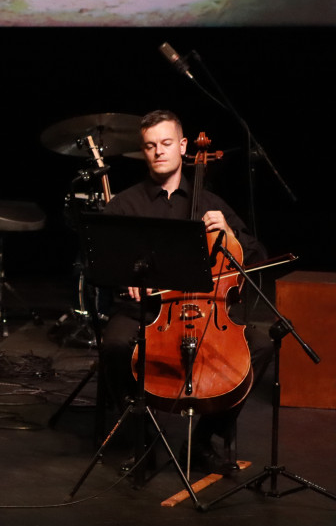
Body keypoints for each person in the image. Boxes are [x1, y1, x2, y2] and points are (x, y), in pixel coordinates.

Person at [98, 109, 273, 475]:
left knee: (259, 345)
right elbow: (103, 261)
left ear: (182, 146)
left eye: (165, 143)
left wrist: (229, 232)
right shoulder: (125, 205)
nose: (158, 152)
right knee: (114, 345)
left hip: (206, 313)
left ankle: (203, 440)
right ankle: (143, 441)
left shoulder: (210, 204)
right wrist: (124, 276)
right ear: (143, 152)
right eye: (150, 146)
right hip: (144, 313)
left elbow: (256, 255)